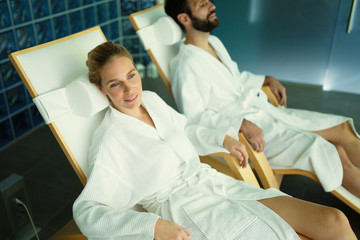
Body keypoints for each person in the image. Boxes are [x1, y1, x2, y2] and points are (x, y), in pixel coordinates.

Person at [72, 42, 356, 240]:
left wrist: (222, 139)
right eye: (115, 84)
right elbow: (87, 213)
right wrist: (154, 226)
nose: (129, 88)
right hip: (185, 209)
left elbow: (185, 129)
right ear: (101, 89)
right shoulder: (110, 140)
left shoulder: (154, 101)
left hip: (213, 183)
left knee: (335, 221)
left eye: (131, 75)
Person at [165, 0, 360, 198]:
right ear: (184, 18)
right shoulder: (185, 66)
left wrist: (265, 79)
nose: (212, 5)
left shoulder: (213, 44)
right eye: (202, 4)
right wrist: (240, 124)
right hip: (250, 133)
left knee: (341, 128)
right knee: (332, 152)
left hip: (260, 112)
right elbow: (195, 117)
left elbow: (235, 78)